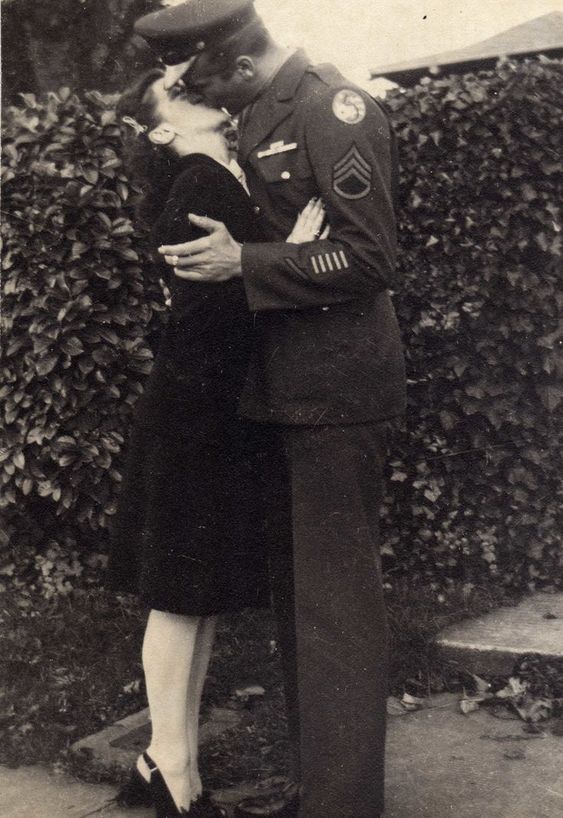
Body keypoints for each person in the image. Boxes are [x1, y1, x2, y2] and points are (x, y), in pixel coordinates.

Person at [134, 2, 407, 816]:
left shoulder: (331, 107)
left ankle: (341, 804)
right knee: (303, 613)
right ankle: (318, 788)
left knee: (336, 615)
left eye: (202, 79)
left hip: (333, 394)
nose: (199, 97)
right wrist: (273, 254)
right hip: (283, 392)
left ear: (242, 65)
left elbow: (369, 254)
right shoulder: (257, 114)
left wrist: (247, 259)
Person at [109, 65, 329, 818]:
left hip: (207, 415)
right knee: (177, 600)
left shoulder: (217, 170)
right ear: (162, 128)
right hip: (194, 418)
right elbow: (223, 314)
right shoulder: (199, 181)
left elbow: (235, 286)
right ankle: (171, 772)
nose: (188, 79)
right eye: (172, 84)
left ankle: (164, 766)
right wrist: (287, 252)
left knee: (193, 600)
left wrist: (270, 254)